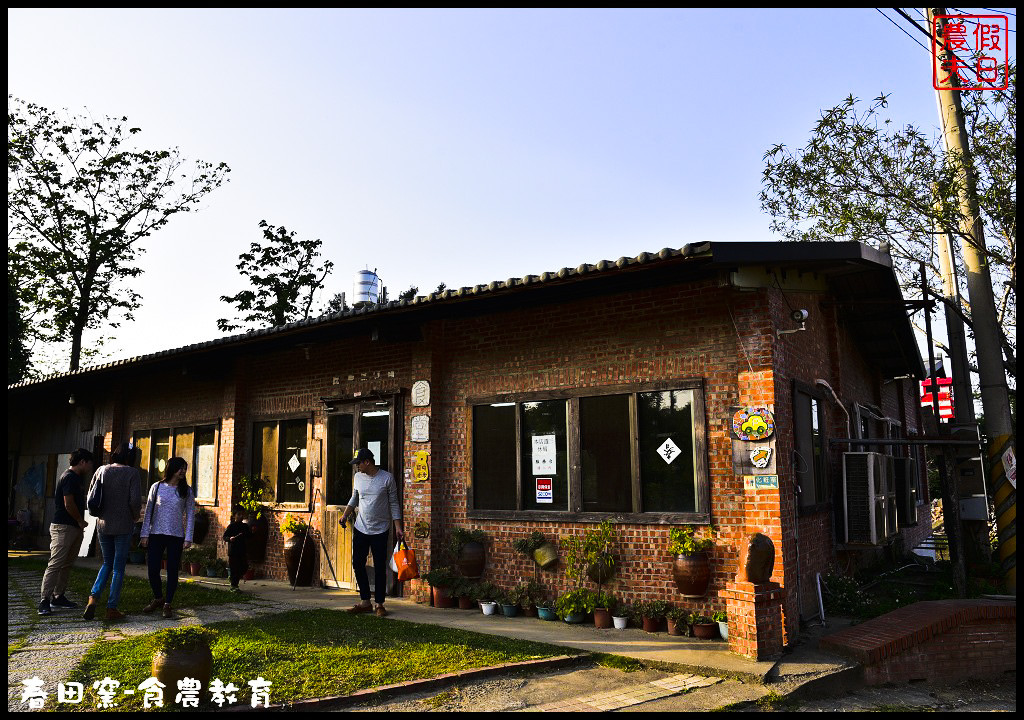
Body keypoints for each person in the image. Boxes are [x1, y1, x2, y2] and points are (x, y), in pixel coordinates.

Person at [339, 448, 404, 617]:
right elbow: (355, 497)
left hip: (381, 530)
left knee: (380, 567)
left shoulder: (387, 478)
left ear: (367, 462)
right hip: (361, 528)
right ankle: (365, 601)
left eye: (358, 463)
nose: (357, 467)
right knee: (357, 564)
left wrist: (398, 527)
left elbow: (394, 503)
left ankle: (380, 604)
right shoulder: (358, 477)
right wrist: (345, 515)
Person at [83, 443, 142, 621]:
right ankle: (111, 608)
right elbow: (134, 501)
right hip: (123, 525)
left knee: (106, 563)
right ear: (130, 457)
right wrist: (134, 516)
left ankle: (93, 598)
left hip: (103, 523)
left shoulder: (101, 470)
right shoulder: (132, 473)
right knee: (118, 567)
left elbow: (90, 496)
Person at [38, 448, 95, 615]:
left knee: (67, 564)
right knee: (55, 564)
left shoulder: (78, 478)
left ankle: (58, 596)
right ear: (82, 461)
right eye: (90, 463)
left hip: (74, 528)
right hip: (63, 527)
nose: (91, 467)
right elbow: (68, 503)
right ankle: (44, 600)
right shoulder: (69, 477)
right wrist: (79, 520)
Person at [140, 456, 195, 619]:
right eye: (180, 468)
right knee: (152, 569)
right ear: (172, 469)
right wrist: (144, 534)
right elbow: (148, 511)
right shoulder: (156, 487)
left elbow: (191, 515)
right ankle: (158, 598)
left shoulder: (187, 490)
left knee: (172, 570)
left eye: (185, 469)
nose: (183, 471)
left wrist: (188, 537)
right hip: (156, 534)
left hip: (176, 536)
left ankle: (167, 604)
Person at [223, 505, 251, 592]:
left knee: (244, 567)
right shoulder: (231, 526)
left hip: (242, 551)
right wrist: (230, 538)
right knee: (235, 569)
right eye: (238, 514)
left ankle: (233, 579)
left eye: (242, 514)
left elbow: (249, 536)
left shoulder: (245, 526)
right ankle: (234, 586)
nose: (241, 516)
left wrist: (252, 532)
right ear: (234, 515)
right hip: (233, 552)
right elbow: (225, 537)